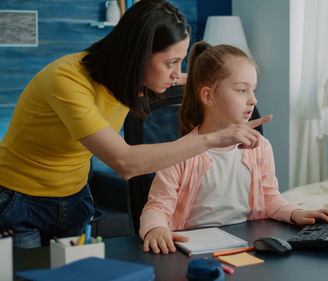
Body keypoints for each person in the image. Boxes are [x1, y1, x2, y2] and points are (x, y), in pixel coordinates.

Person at [0, 0, 270, 250]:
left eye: (180, 61)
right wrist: (212, 138)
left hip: (75, 198)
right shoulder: (67, 81)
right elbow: (125, 162)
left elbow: (183, 79)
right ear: (138, 54)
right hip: (20, 202)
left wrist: (226, 87)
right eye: (171, 62)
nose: (176, 72)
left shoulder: (133, 79)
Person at [140, 42, 328, 255]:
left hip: (248, 246)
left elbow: (269, 197)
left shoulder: (259, 147)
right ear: (208, 96)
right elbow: (157, 207)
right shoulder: (179, 153)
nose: (253, 99)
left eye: (253, 90)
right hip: (196, 253)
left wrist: (294, 212)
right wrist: (156, 228)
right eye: (242, 90)